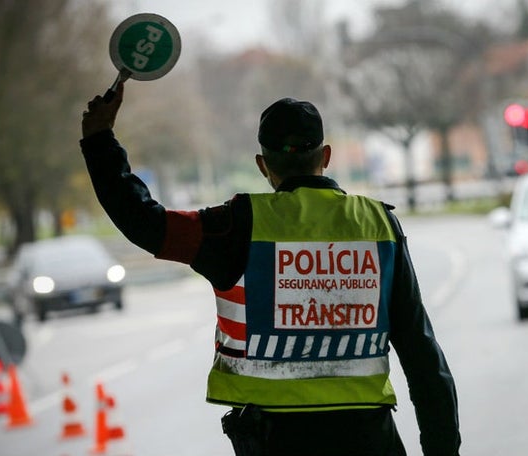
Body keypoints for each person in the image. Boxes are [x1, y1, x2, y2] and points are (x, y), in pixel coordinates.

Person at [80, 82, 461, 456]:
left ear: (263, 165)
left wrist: (100, 139)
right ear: (325, 156)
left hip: (274, 441)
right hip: (369, 439)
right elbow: (423, 356)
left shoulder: (235, 226)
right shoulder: (380, 226)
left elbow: (146, 223)